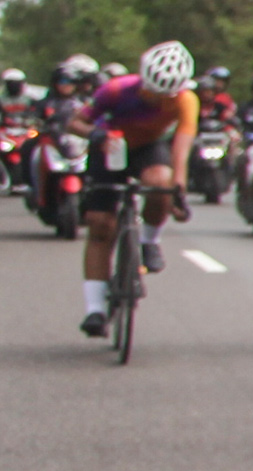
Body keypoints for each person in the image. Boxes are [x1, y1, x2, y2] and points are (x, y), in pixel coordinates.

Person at [74, 42, 200, 334]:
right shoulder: (116, 90)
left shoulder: (186, 100)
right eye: (152, 92)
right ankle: (94, 310)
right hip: (110, 147)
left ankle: (148, 241)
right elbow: (75, 122)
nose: (157, 99)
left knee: (160, 183)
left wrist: (178, 187)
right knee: (99, 224)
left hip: (148, 148)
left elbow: (182, 144)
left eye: (165, 95)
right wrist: (95, 134)